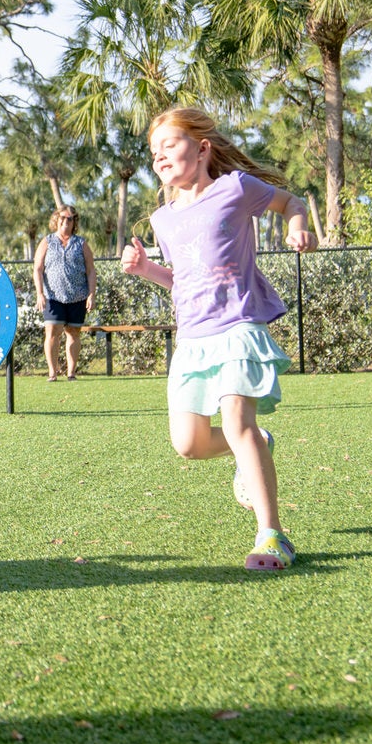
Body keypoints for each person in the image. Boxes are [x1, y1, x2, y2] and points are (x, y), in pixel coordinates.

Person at [120, 106, 316, 571]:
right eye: (154, 152)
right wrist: (147, 269)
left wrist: (297, 227)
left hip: (239, 325)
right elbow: (185, 279)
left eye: (170, 144)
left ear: (202, 147)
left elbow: (290, 202)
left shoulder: (235, 189)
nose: (160, 156)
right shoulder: (162, 219)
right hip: (192, 338)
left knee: (234, 421)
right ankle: (257, 442)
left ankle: (273, 535)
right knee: (187, 444)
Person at [32, 205, 95, 381]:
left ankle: (71, 373)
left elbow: (90, 270)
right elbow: (37, 269)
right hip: (52, 296)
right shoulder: (47, 241)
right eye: (62, 218)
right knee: (52, 331)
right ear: (56, 219)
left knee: (73, 332)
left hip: (77, 295)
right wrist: (39, 293)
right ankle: (52, 372)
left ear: (74, 222)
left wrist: (91, 294)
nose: (65, 221)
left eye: (70, 218)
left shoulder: (81, 243)